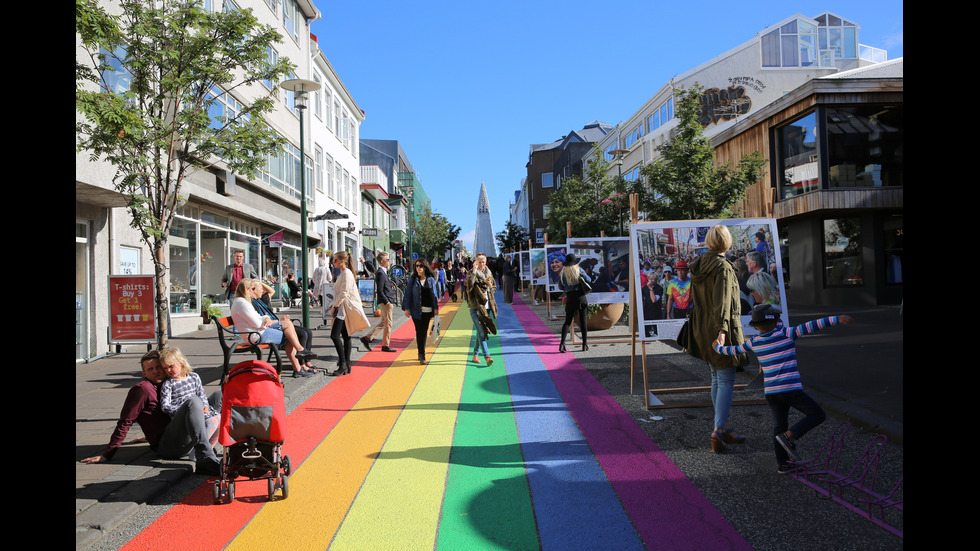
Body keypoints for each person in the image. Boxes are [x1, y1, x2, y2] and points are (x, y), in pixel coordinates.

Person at [714, 305, 853, 473]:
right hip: (791, 389)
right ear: (776, 323)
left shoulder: (754, 342)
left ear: (756, 326)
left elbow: (733, 350)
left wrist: (717, 347)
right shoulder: (787, 333)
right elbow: (813, 325)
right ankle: (790, 436)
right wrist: (837, 318)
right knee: (817, 415)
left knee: (779, 425)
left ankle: (782, 463)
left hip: (772, 393)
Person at [81, 349, 223, 476]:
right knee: (193, 402)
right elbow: (125, 421)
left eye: (158, 367)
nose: (156, 371)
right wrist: (108, 454)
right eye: (150, 369)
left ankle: (238, 444)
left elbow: (162, 418)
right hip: (170, 447)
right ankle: (204, 456)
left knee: (219, 394)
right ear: (144, 373)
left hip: (181, 433)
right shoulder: (142, 390)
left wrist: (148, 435)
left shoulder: (170, 381)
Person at [686, 225, 749, 453]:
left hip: (702, 327)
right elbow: (722, 302)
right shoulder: (722, 266)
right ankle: (718, 429)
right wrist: (722, 331)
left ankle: (722, 427)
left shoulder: (700, 263)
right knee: (725, 380)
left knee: (716, 378)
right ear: (727, 241)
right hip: (719, 327)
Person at [230, 278, 317, 378]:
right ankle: (300, 355)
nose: (257, 291)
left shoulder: (241, 301)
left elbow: (257, 317)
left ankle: (299, 359)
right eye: (255, 289)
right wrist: (267, 320)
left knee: (288, 325)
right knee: (289, 333)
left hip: (257, 332)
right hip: (256, 335)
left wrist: (266, 318)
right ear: (248, 289)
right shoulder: (242, 303)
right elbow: (257, 323)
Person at [158, 348, 220, 459]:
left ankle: (207, 448)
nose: (168, 370)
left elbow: (201, 394)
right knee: (213, 421)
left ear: (181, 363)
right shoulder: (169, 383)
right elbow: (165, 406)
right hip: (185, 417)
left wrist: (205, 405)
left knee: (220, 420)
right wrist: (184, 409)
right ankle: (198, 452)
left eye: (171, 366)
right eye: (165, 368)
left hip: (200, 410)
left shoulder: (194, 377)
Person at [329, 251, 370, 376]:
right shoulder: (344, 273)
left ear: (342, 261)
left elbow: (344, 293)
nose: (333, 262)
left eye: (335, 260)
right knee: (346, 336)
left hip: (343, 309)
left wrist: (334, 306)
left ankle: (343, 363)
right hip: (343, 308)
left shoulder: (346, 273)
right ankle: (346, 364)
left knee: (335, 336)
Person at [403, 259, 439, 365]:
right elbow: (408, 295)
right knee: (420, 331)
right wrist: (407, 308)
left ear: (425, 267)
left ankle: (421, 353)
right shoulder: (413, 280)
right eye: (417, 266)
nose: (418, 268)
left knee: (423, 330)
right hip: (416, 311)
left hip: (428, 310)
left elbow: (434, 294)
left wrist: (436, 308)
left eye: (420, 266)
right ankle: (422, 354)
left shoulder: (431, 279)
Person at [360, 252, 397, 353]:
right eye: (388, 259)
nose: (389, 261)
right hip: (386, 302)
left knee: (384, 322)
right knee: (388, 323)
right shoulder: (380, 273)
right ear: (382, 261)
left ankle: (368, 338)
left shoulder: (383, 272)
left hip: (386, 301)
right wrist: (387, 302)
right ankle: (385, 345)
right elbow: (380, 290)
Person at [465, 253, 497, 364]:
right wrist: (474, 271)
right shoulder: (471, 273)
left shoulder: (489, 273)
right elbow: (469, 286)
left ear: (485, 262)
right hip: (475, 307)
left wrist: (489, 286)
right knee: (482, 332)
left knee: (480, 332)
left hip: (486, 307)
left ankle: (475, 355)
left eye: (483, 262)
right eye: (479, 262)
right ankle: (487, 356)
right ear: (475, 262)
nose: (481, 264)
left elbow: (493, 291)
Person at [558, 253, 592, 353]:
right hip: (581, 297)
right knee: (583, 321)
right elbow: (589, 280)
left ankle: (562, 344)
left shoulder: (563, 272)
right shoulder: (579, 270)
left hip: (570, 298)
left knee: (567, 321)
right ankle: (584, 344)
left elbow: (560, 287)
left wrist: (568, 288)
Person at [312, 255, 334, 328]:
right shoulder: (326, 269)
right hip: (325, 286)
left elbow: (313, 278)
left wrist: (316, 283)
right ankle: (326, 311)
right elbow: (330, 278)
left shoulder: (316, 269)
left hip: (318, 286)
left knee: (321, 298)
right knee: (326, 299)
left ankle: (322, 309)